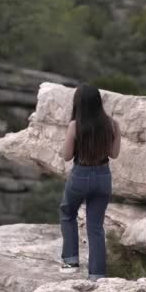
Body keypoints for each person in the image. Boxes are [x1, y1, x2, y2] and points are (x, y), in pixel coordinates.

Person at [58, 84, 121, 281]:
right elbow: (114, 154)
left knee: (68, 212)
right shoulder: (113, 124)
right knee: (95, 227)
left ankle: (70, 262)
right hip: (103, 176)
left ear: (78, 103)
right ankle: (97, 275)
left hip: (81, 175)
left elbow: (67, 156)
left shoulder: (75, 125)